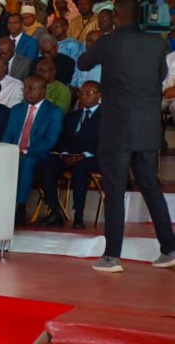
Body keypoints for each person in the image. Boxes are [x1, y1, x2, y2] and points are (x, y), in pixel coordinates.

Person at [77, 0, 175, 272]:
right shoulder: (157, 43)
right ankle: (169, 248)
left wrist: (96, 47)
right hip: (146, 127)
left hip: (117, 128)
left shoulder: (109, 42)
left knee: (115, 190)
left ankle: (112, 256)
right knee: (150, 187)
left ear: (117, 15)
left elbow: (83, 63)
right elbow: (162, 75)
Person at [35, 81, 101, 229]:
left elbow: (106, 143)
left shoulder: (107, 116)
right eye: (81, 93)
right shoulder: (73, 116)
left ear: (99, 95)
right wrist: (64, 154)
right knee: (47, 165)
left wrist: (84, 155)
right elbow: (63, 138)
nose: (84, 96)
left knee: (80, 170)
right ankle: (55, 210)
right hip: (70, 156)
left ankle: (79, 214)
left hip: (93, 158)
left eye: (89, 93)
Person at [2, 75, 63, 226]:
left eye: (31, 88)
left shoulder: (54, 112)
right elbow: (8, 134)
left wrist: (24, 151)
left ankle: (20, 208)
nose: (27, 92)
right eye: (25, 88)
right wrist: (5, 150)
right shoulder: (17, 109)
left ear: (42, 91)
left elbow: (50, 141)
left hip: (39, 154)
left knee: (27, 162)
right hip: (14, 152)